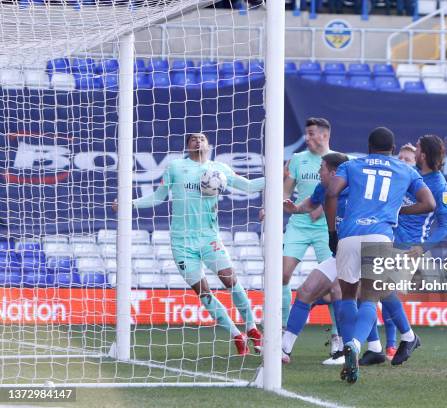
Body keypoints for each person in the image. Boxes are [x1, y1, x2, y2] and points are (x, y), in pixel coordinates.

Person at [112, 133, 263, 355]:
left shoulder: (219, 169)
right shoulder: (175, 167)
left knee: (230, 279)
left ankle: (252, 328)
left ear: (208, 145)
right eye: (193, 139)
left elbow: (249, 186)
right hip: (181, 242)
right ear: (187, 146)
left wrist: (282, 177)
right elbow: (157, 197)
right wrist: (129, 203)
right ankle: (236, 335)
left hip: (208, 237)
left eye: (202, 138)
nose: (198, 141)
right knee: (203, 292)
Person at [324, 127, 436, 384]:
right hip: (380, 236)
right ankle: (354, 343)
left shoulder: (352, 165)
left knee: (348, 295)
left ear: (369, 146)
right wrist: (396, 212)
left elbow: (331, 193)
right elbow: (429, 204)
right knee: (371, 298)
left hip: (349, 235)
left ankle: (352, 343)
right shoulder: (406, 170)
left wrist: (332, 232)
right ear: (393, 149)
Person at [360, 135, 447, 366]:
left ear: (424, 154)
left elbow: (445, 225)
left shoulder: (439, 185)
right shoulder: (411, 175)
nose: (414, 151)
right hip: (387, 238)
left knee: (379, 290)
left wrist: (422, 247)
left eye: (418, 148)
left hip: (408, 247)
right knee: (367, 290)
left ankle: (403, 338)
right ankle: (381, 345)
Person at [281, 153, 349, 365]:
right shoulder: (324, 187)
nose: (318, 172)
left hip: (360, 250)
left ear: (333, 172)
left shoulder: (356, 188)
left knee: (343, 292)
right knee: (306, 291)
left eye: (321, 168)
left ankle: (346, 349)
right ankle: (283, 350)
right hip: (341, 252)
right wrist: (297, 209)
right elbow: (311, 202)